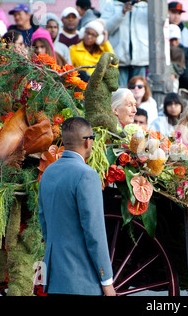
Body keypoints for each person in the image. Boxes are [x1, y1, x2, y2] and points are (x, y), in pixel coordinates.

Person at [38, 117, 115, 296]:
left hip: (54, 278)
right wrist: (106, 280)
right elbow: (94, 232)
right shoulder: (87, 175)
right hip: (82, 280)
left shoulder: (49, 172)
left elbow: (44, 223)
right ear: (88, 141)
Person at [101, 0, 149, 87]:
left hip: (140, 59)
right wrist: (122, 12)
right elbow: (105, 28)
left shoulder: (145, 5)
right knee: (120, 94)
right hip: (119, 60)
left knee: (138, 93)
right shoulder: (111, 5)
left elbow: (160, 19)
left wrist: (148, 1)